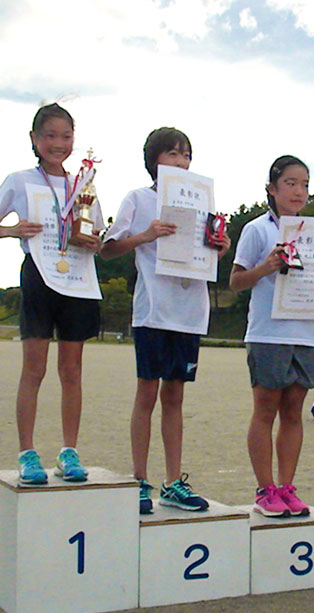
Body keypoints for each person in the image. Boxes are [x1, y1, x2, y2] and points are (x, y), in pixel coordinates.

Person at [99, 126, 230, 513]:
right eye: (172, 154)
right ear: (154, 161)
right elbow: (108, 249)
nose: (181, 162)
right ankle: (139, 480)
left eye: (186, 155)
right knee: (147, 393)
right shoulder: (138, 199)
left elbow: (205, 259)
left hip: (190, 313)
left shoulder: (201, 203)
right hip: (154, 310)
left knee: (175, 396)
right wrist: (146, 235)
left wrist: (218, 249)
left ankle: (173, 482)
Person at [0, 103, 100, 486]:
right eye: (50, 135)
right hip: (40, 274)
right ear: (34, 139)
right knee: (34, 369)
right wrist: (14, 230)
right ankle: (27, 453)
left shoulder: (83, 183)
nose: (58, 143)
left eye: (66, 136)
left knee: (73, 370)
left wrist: (94, 242)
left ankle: (69, 450)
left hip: (78, 280)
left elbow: (97, 232)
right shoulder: (19, 180)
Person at [230, 155, 314, 517]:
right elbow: (235, 282)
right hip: (268, 331)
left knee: (294, 411)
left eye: (305, 184)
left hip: (305, 331)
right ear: (272, 189)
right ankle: (265, 489)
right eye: (291, 183)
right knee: (265, 410)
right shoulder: (258, 229)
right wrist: (266, 266)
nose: (299, 191)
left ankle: (287, 486)